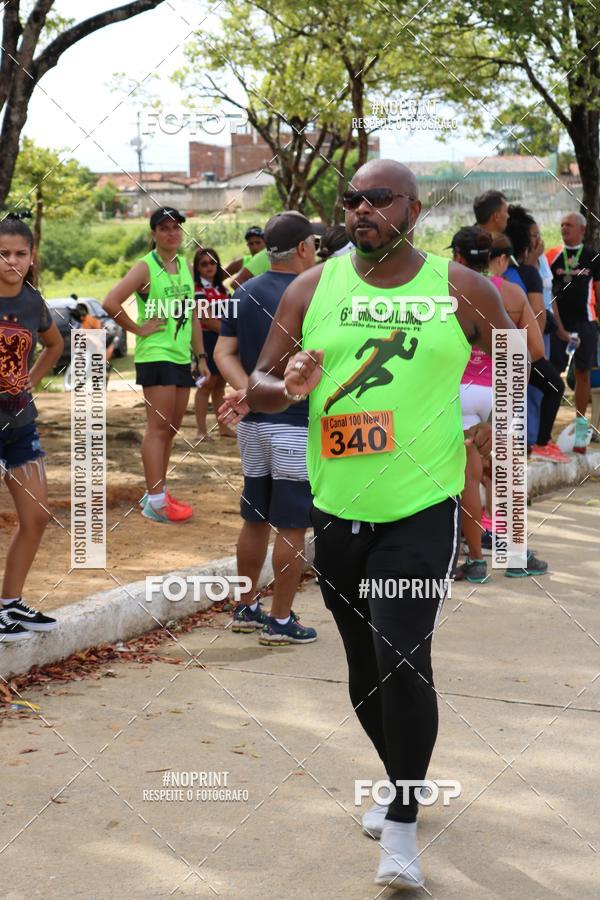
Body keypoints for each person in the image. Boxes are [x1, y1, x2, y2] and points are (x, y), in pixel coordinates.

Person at [221, 160, 516, 890]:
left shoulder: (458, 287)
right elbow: (258, 386)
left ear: (412, 210)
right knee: (362, 667)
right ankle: (396, 782)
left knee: (402, 658)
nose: (360, 208)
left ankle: (406, 826)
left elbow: (516, 359)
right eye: (351, 198)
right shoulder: (311, 287)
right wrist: (284, 385)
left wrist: (494, 436)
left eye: (377, 198)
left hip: (421, 507)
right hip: (339, 509)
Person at [215, 211, 318, 647]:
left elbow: (224, 352)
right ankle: (279, 620)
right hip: (296, 424)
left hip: (254, 426)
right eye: (313, 244)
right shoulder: (314, 295)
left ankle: (245, 607)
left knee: (254, 515)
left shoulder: (244, 290)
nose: (316, 251)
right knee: (292, 523)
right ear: (300, 249)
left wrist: (250, 393)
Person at [451, 227, 551, 583]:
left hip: (459, 389)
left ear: (458, 257)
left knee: (470, 478)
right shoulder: (510, 292)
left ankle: (476, 561)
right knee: (507, 475)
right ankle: (516, 557)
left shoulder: (444, 291)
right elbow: (536, 351)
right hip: (501, 386)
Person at [103, 207, 209, 523]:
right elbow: (110, 302)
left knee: (172, 429)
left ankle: (157, 492)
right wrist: (138, 329)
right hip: (155, 355)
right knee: (158, 428)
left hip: (180, 357)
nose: (172, 233)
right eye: (164, 228)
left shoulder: (184, 266)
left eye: (176, 228)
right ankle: (157, 502)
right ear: (154, 234)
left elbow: (191, 316)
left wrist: (201, 356)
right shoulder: (145, 267)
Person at [0, 213, 63, 641]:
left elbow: (55, 343)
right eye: (3, 254)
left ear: (31, 256)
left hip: (20, 425)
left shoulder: (32, 300)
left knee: (36, 515)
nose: (12, 261)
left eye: (20, 253)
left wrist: (31, 380)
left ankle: (10, 603)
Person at [547, 212, 600, 453]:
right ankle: (544, 433)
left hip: (586, 323)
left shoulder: (592, 257)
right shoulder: (552, 256)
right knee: (552, 374)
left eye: (568, 225)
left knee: (582, 374)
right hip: (559, 326)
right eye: (561, 225)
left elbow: (598, 292)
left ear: (582, 228)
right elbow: (545, 289)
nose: (564, 228)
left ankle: (581, 431)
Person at [192, 247, 235, 441]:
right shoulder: (197, 289)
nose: (209, 267)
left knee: (220, 385)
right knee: (206, 384)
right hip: (207, 338)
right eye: (204, 264)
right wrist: (230, 332)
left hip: (222, 339)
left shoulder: (222, 289)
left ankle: (223, 427)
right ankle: (201, 431)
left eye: (212, 263)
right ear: (197, 268)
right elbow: (205, 318)